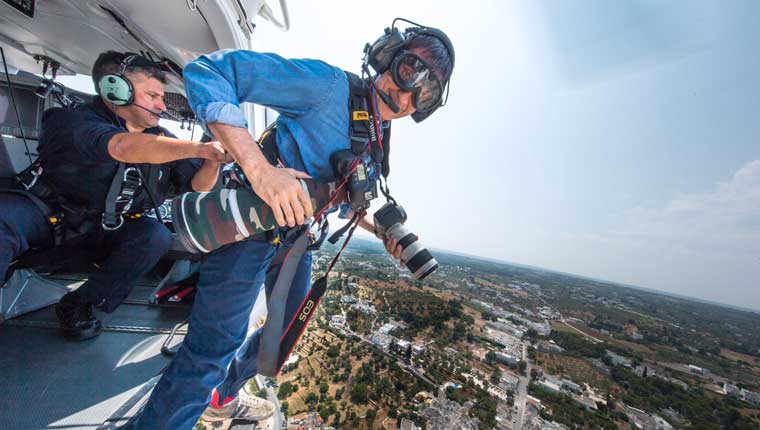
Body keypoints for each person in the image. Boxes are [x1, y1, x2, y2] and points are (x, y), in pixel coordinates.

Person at [126, 21, 454, 429]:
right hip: (249, 230)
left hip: (298, 241)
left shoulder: (378, 129)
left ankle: (222, 399)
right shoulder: (328, 87)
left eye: (422, 93)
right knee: (212, 350)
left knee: (280, 337)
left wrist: (382, 232)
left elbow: (346, 198)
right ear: (386, 58)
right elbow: (209, 71)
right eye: (407, 72)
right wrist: (258, 168)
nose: (404, 95)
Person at [0, 51, 228, 340]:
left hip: (100, 234)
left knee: (154, 235)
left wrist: (212, 159)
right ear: (115, 89)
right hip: (45, 221)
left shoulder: (165, 140)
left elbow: (199, 186)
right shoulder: (72, 122)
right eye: (153, 95)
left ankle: (78, 305)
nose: (162, 106)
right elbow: (121, 147)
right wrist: (197, 148)